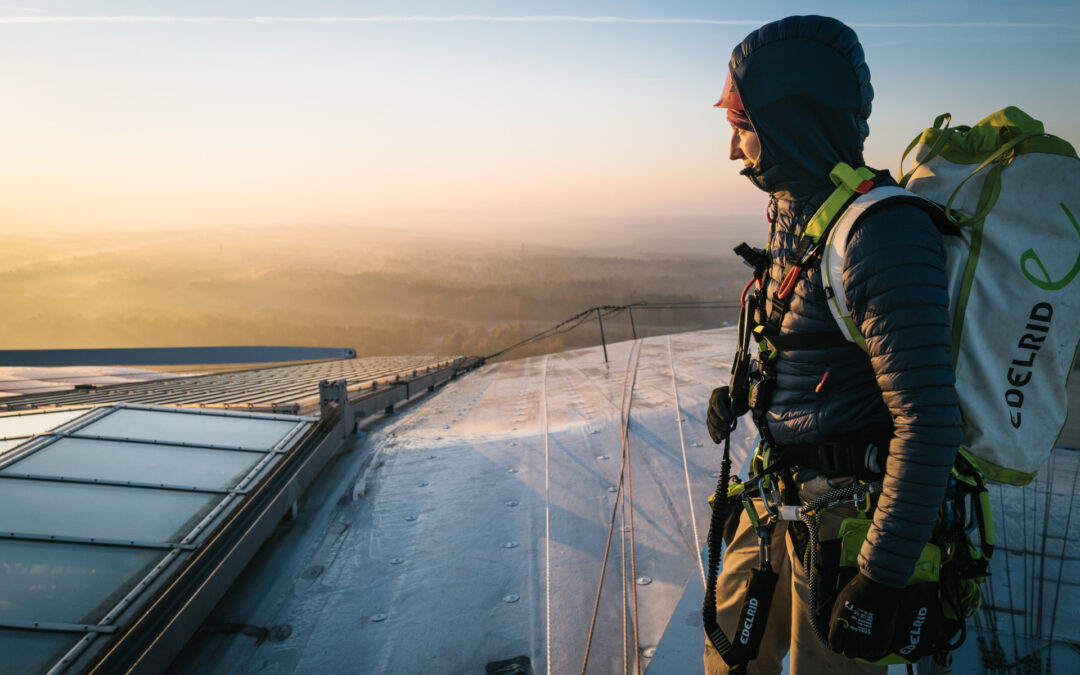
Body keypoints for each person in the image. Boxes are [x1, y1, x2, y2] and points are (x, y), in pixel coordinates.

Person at [704, 15, 961, 674]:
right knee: (729, 657)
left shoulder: (883, 234)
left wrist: (881, 576)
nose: (734, 152)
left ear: (792, 120)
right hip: (775, 495)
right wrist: (742, 391)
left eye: (743, 127)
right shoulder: (801, 213)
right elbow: (802, 332)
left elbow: (929, 423)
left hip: (849, 525)